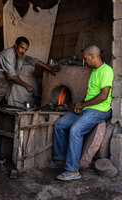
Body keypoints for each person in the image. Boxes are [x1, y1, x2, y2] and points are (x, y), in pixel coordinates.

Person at [49, 45, 114, 181]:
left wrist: (84, 104)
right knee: (60, 124)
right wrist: (81, 104)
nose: (84, 62)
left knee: (76, 130)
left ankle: (73, 171)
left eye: (85, 59)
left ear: (92, 57)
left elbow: (103, 96)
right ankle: (61, 160)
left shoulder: (106, 71)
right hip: (88, 108)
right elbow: (90, 94)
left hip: (100, 110)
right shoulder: (94, 72)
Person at [0, 36, 61, 107]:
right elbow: (12, 76)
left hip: (2, 90)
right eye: (21, 47)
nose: (23, 51)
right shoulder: (8, 55)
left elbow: (34, 61)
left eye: (25, 49)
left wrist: (50, 69)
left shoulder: (20, 56)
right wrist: (27, 86)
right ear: (16, 45)